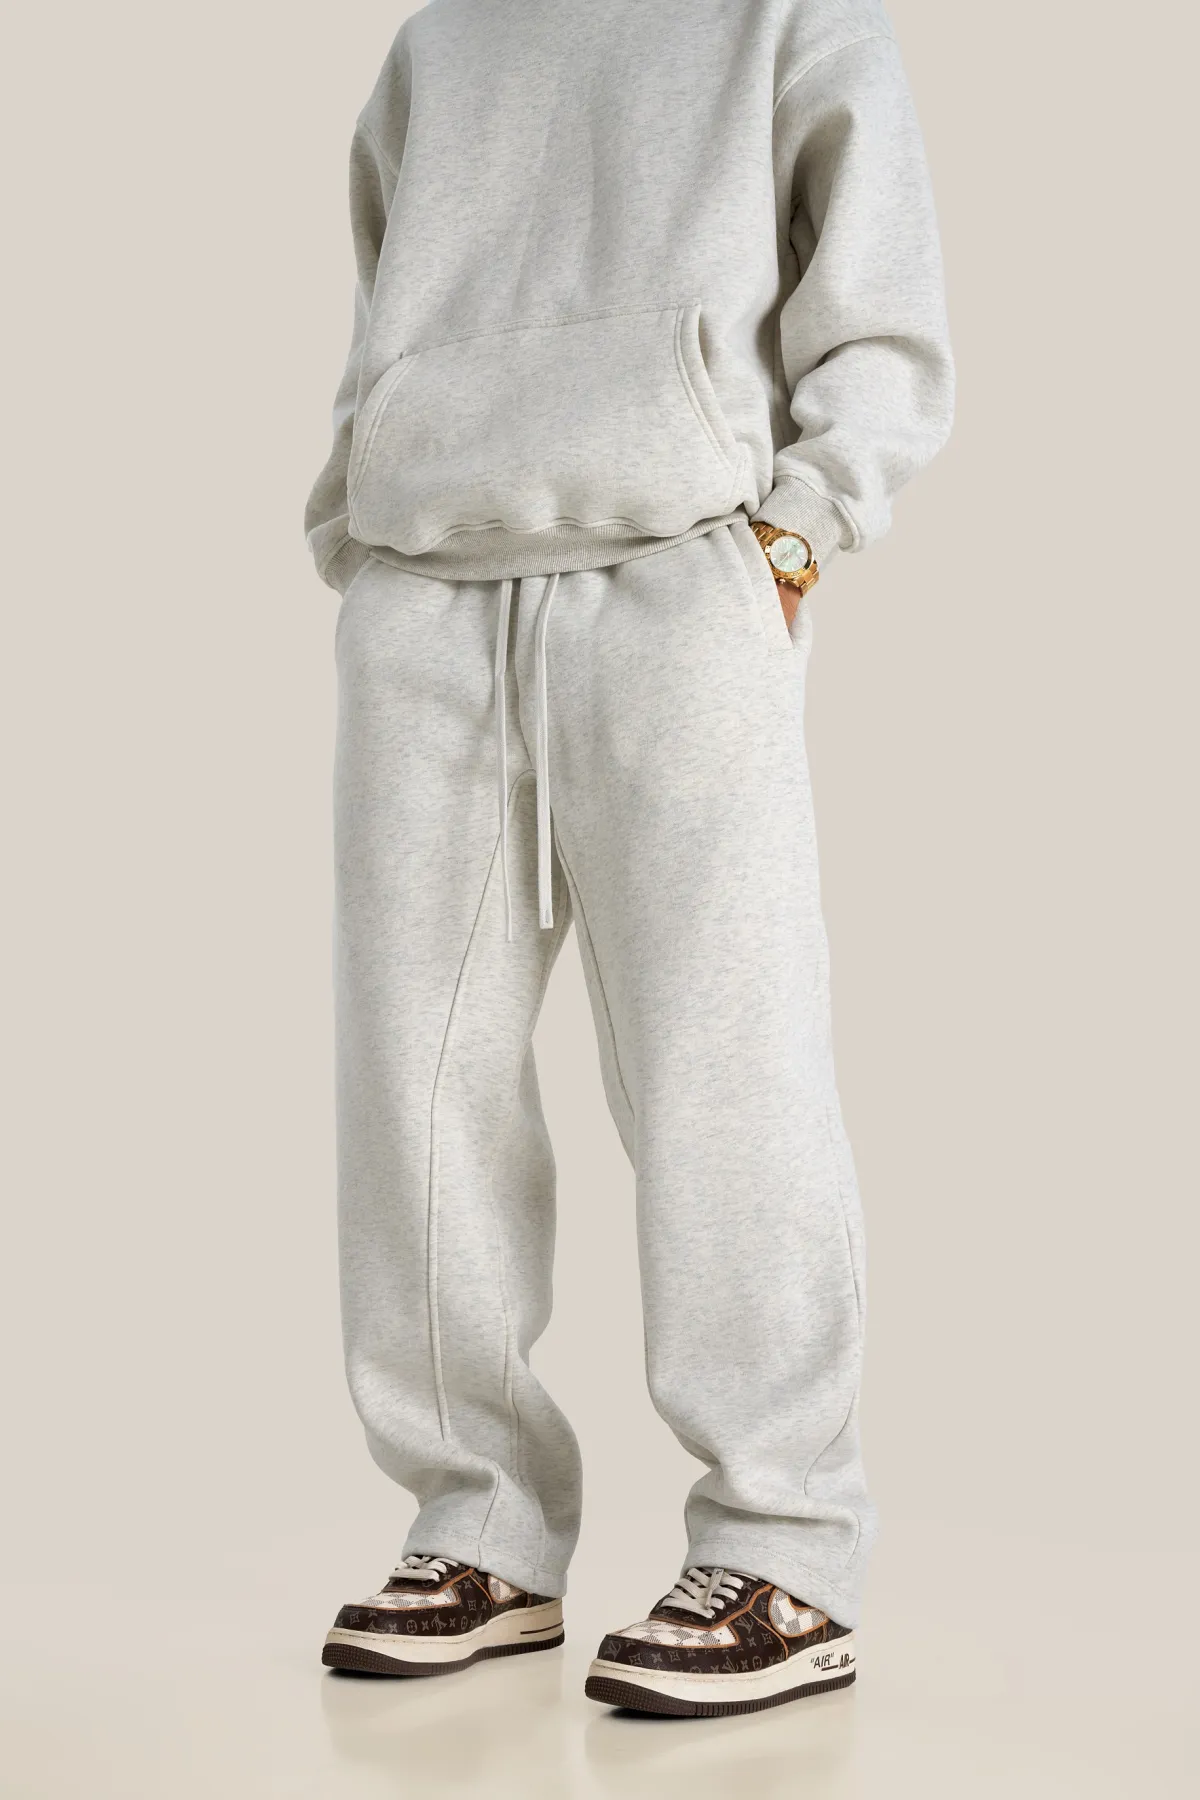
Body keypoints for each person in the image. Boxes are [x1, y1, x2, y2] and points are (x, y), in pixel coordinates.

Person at [305, 0, 952, 1718]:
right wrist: (354, 531)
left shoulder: (790, 18)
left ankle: (785, 1547)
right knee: (414, 1086)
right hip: (425, 597)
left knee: (723, 1070)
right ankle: (480, 1530)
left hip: (684, 583)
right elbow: (383, 309)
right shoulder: (439, 44)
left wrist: (797, 535)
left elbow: (883, 316)